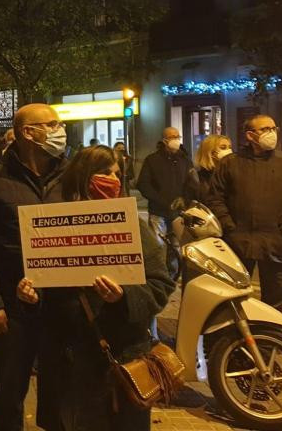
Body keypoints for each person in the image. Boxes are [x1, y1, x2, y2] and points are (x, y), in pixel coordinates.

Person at [17, 145, 175, 431]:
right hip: (65, 365)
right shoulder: (53, 225)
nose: (112, 179)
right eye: (103, 173)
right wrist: (30, 296)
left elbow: (160, 285)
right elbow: (44, 290)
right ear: (82, 176)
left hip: (115, 362)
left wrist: (124, 296)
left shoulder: (133, 228)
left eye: (116, 173)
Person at [0, 103, 67, 431]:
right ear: (28, 132)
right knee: (10, 392)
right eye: (51, 124)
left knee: (59, 393)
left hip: (61, 307)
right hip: (13, 308)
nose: (59, 130)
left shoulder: (71, 176)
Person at [206, 115, 282, 310]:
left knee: (275, 301)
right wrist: (229, 226)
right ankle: (236, 338)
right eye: (265, 129)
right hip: (239, 243)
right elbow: (215, 199)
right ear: (250, 135)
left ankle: (270, 337)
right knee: (233, 299)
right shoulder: (230, 163)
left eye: (273, 128)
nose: (271, 133)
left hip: (277, 244)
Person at [136, 127, 192, 280]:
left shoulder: (185, 160)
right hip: (158, 211)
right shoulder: (152, 160)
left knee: (176, 246)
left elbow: (191, 183)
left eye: (177, 136)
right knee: (158, 246)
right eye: (172, 136)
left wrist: (184, 199)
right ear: (164, 140)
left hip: (178, 213)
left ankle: (172, 275)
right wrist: (162, 201)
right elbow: (143, 184)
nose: (175, 139)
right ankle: (160, 277)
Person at [185, 134, 232, 206]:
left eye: (230, 147)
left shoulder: (231, 174)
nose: (228, 151)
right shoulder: (196, 177)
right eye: (223, 147)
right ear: (210, 152)